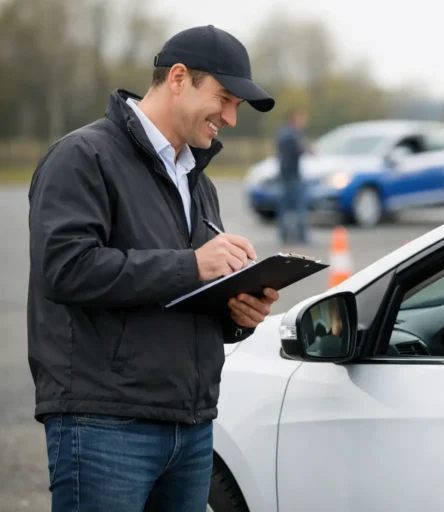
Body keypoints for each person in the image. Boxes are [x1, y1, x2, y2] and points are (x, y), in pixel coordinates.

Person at [27, 25, 279, 511]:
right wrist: (192, 265)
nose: (229, 118)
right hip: (103, 425)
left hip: (190, 428)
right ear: (179, 78)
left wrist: (237, 311)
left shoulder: (195, 178)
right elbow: (65, 268)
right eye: (224, 98)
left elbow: (186, 288)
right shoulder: (82, 157)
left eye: (236, 108)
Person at [276, 107, 311, 247]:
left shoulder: (283, 133)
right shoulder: (292, 134)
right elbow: (300, 149)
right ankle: (302, 237)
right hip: (292, 176)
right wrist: (309, 149)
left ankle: (285, 236)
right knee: (299, 207)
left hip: (285, 175)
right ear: (295, 118)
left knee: (284, 208)